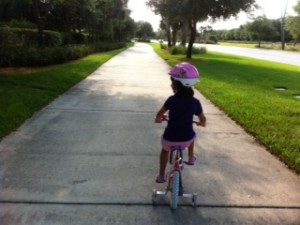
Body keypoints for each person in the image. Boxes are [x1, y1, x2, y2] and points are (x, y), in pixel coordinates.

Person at [155, 62, 206, 183]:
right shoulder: (195, 102)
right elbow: (203, 120)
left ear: (176, 84)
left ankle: (161, 175)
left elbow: (159, 114)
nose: (171, 84)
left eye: (172, 81)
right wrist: (200, 123)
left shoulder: (171, 100)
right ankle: (191, 157)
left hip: (170, 139)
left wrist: (159, 119)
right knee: (192, 136)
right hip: (186, 139)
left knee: (164, 151)